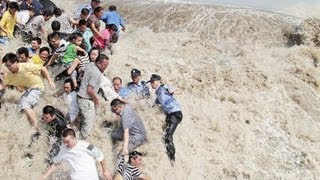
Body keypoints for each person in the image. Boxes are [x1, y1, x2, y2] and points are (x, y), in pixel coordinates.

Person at [1, 53, 55, 134]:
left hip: (38, 87)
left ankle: (36, 128)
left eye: (9, 65)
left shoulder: (25, 66)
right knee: (19, 109)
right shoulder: (10, 76)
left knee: (25, 103)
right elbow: (3, 86)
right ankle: (26, 129)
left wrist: (50, 81)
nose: (8, 68)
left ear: (16, 62)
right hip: (29, 90)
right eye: (6, 66)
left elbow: (43, 68)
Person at [41, 128, 112, 180]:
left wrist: (105, 170)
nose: (65, 144)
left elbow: (100, 156)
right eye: (63, 141)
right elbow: (55, 163)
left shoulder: (87, 146)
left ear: (74, 138)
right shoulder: (63, 149)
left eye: (67, 141)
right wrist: (44, 176)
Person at [148, 74, 182, 163]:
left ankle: (172, 159)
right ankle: (168, 156)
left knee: (168, 136)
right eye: (151, 82)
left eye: (153, 82)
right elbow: (154, 106)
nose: (152, 84)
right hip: (170, 115)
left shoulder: (163, 87)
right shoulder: (158, 93)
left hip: (175, 113)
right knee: (165, 135)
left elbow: (172, 89)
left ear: (159, 81)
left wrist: (172, 91)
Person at [77, 54, 109, 139]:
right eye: (104, 65)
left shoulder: (91, 64)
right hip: (86, 100)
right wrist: (96, 99)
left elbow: (80, 70)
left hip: (80, 97)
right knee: (88, 125)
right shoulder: (96, 74)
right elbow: (90, 90)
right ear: (98, 63)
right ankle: (83, 141)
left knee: (82, 122)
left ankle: (78, 137)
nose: (106, 67)